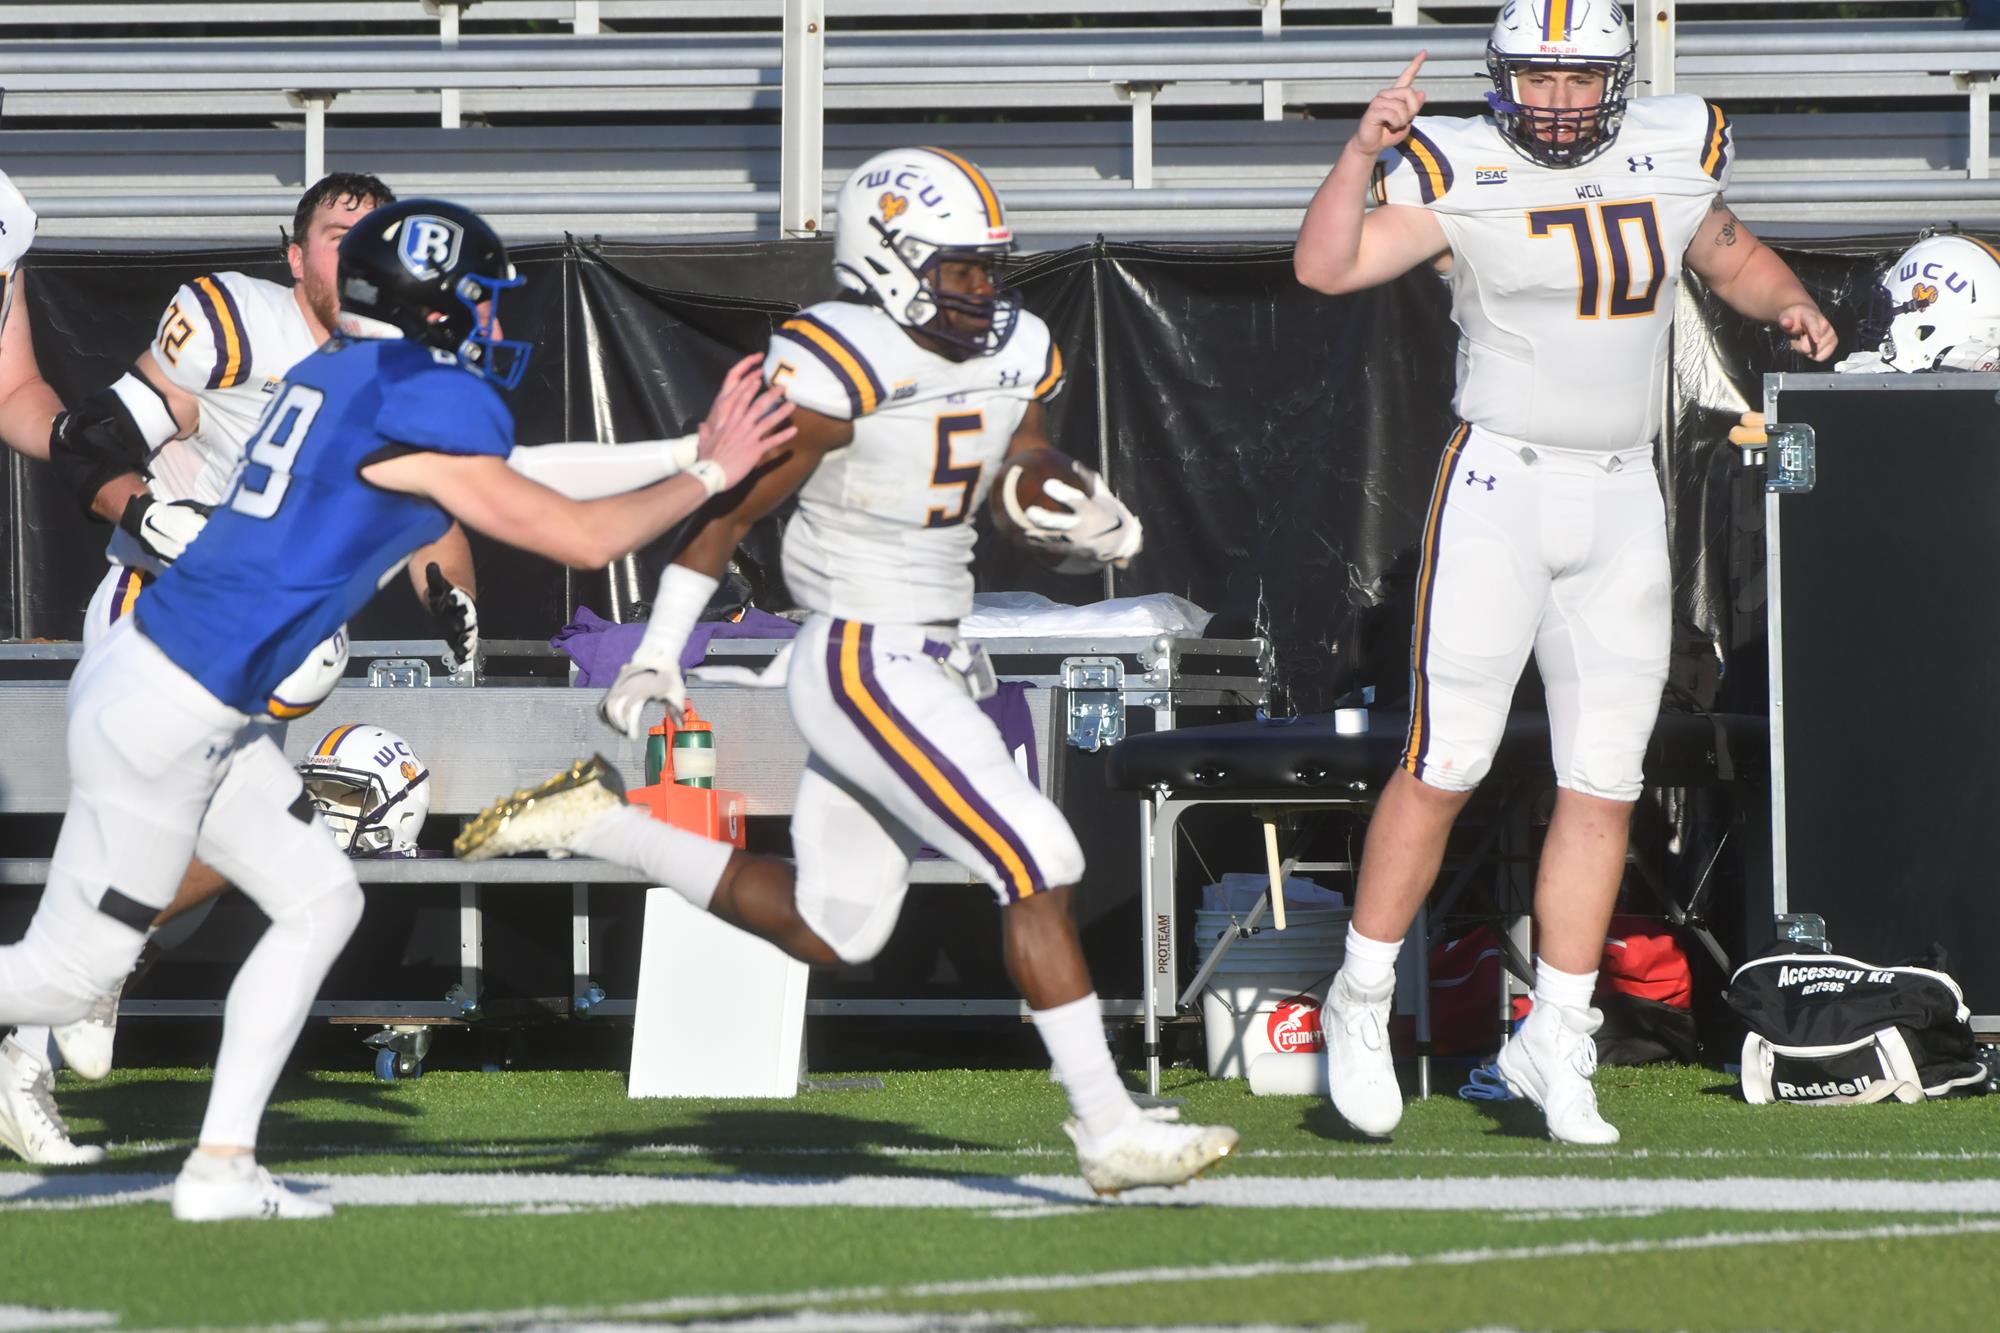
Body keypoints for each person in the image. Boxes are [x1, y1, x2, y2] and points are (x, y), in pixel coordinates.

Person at [458, 146, 1239, 1196]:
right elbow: (725, 511)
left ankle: (595, 822)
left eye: (987, 267)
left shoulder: (1019, 344)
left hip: (934, 653)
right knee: (1036, 855)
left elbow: (1016, 466)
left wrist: (1078, 519)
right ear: (887, 260)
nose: (981, 289)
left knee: (836, 929)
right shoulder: (840, 359)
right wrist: (655, 650)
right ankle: (1104, 1127)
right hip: (861, 656)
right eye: (958, 268)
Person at [0, 198, 795, 1218]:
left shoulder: (341, 374)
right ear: (429, 307)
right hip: (172, 706)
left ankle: (221, 1167)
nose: (491, 321)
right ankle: (215, 1164)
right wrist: (715, 472)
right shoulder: (410, 393)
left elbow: (509, 479)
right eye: (477, 299)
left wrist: (687, 453)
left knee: (321, 899)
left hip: (188, 687)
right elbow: (579, 536)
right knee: (64, 983)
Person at [1292, 0, 1835, 1144]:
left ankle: (1558, 1036)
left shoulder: (1672, 146)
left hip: (1621, 493)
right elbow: (1325, 265)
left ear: (1616, 79)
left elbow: (1724, 251)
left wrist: (1784, 300)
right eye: (1530, 78)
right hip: (1500, 482)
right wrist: (1358, 155)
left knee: (1603, 780)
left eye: (1572, 78)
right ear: (1499, 78)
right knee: (1445, 757)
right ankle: (1357, 997)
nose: (1549, 99)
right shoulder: (1456, 159)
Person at [0, 176, 481, 1166]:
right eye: (334, 231)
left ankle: (96, 1017)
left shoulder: (400, 369)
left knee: (273, 856)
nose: (353, 251)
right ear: (293, 253)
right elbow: (98, 441)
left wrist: (447, 600)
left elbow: (436, 517)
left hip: (267, 639)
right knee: (236, 855)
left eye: (371, 236)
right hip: (167, 610)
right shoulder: (235, 319)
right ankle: (50, 1037)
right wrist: (146, 512)